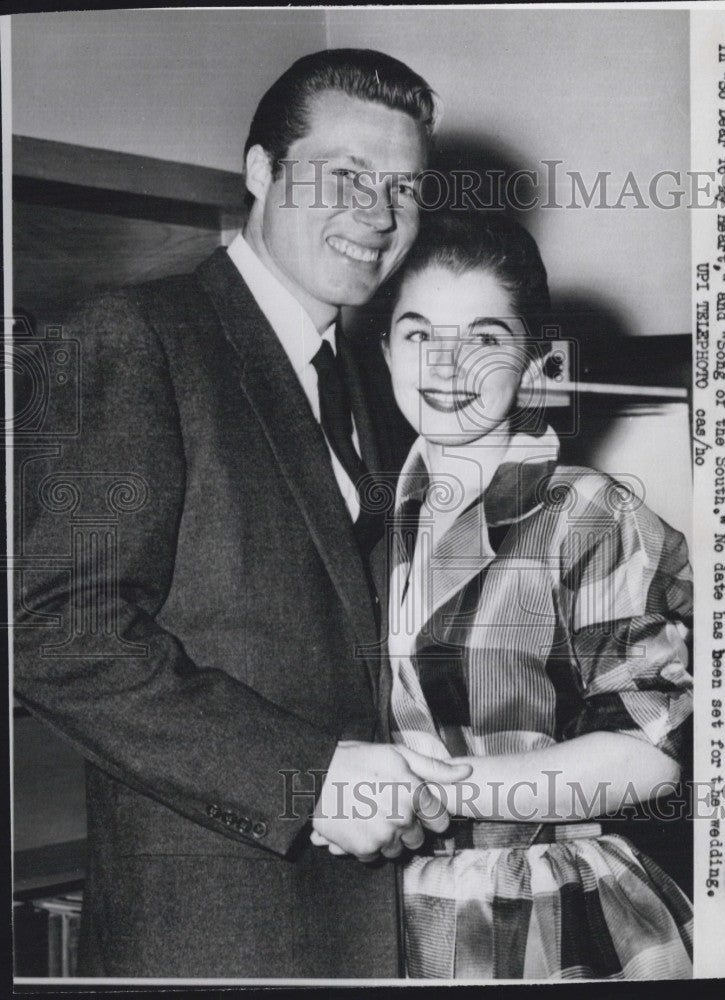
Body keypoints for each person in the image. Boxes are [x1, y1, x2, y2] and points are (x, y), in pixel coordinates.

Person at [14, 49, 471, 979]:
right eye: (345, 176)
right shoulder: (133, 334)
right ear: (260, 172)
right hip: (215, 933)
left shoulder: (372, 384)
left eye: (402, 187)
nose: (378, 215)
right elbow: (54, 631)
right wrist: (309, 778)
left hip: (372, 923)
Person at [371, 211, 694, 979]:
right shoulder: (365, 516)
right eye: (418, 335)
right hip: (383, 915)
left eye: (483, 338)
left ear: (533, 360)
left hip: (543, 907)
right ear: (384, 351)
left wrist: (430, 790)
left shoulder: (589, 513)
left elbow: (647, 757)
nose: (445, 367)